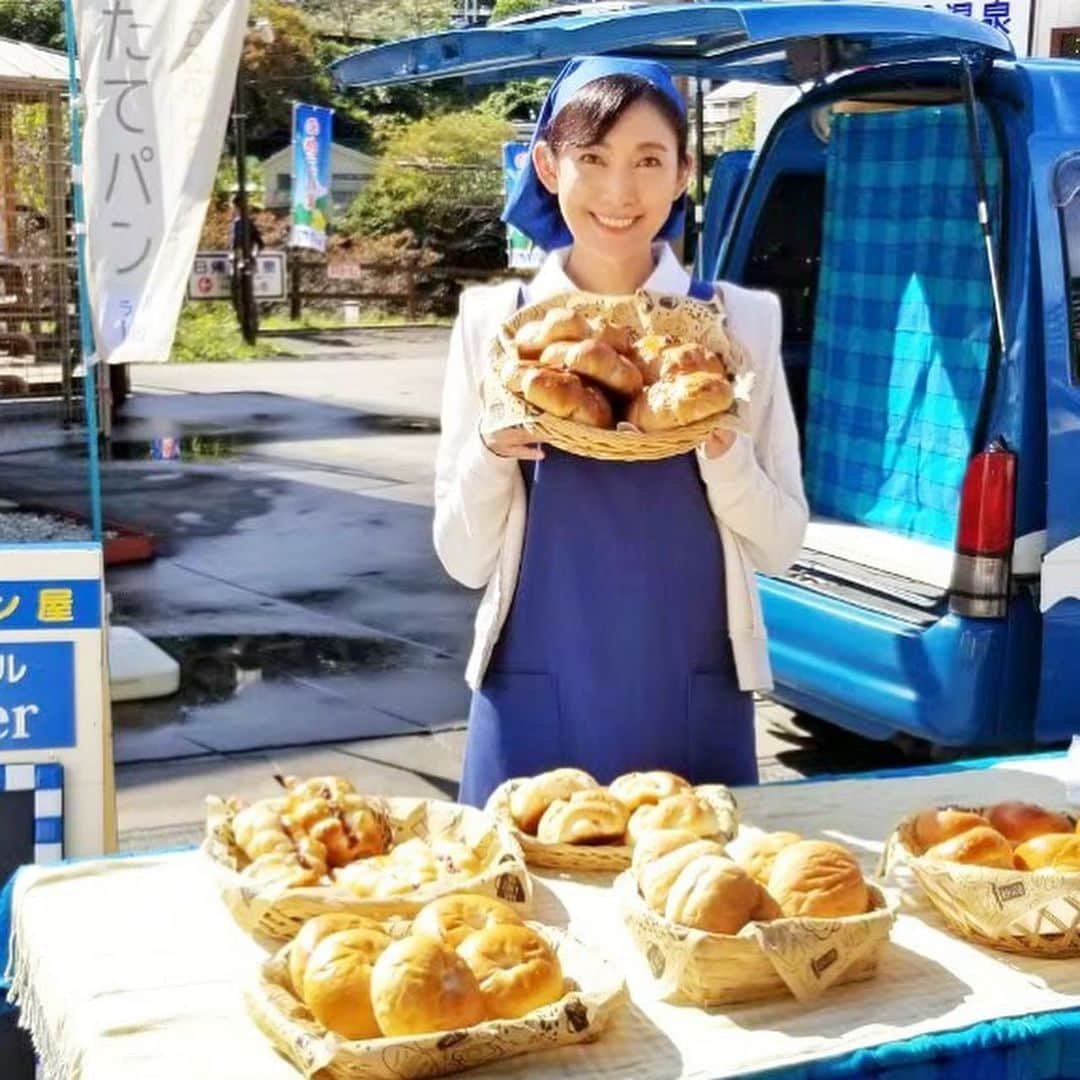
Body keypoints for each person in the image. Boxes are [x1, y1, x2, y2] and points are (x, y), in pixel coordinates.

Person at [433, 56, 808, 808]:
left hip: (691, 694)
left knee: (689, 908)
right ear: (546, 165)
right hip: (531, 692)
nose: (618, 191)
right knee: (520, 921)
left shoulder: (739, 325)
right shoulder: (495, 323)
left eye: (647, 160)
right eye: (592, 159)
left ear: (682, 173)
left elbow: (782, 545)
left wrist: (723, 450)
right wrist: (490, 454)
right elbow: (463, 559)